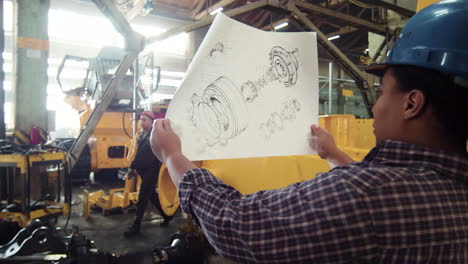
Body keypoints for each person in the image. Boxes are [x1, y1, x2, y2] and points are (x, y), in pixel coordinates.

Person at [150, 0, 468, 262]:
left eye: (382, 92)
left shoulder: (363, 194)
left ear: (412, 103)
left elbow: (237, 226)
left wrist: (173, 156)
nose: (374, 107)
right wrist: (335, 155)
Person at [124, 110, 172, 237]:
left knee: (143, 197)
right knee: (151, 195)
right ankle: (167, 216)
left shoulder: (154, 136)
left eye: (144, 120)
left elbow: (145, 154)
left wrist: (132, 167)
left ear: (152, 122)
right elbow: (139, 154)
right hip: (143, 170)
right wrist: (133, 168)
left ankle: (136, 226)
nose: (142, 122)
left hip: (151, 169)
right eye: (141, 120)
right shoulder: (141, 135)